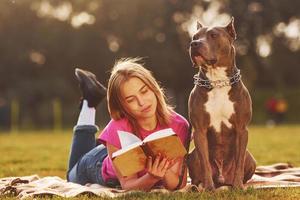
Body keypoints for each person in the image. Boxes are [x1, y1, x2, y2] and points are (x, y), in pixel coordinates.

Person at [67, 58, 190, 191]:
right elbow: (128, 185)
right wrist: (152, 177)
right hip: (96, 164)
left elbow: (178, 184)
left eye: (144, 91)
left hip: (114, 148)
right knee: (71, 177)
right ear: (122, 106)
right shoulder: (117, 127)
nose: (142, 103)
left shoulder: (180, 125)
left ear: (154, 88)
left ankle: (90, 100)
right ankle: (89, 103)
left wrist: (164, 171)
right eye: (131, 100)